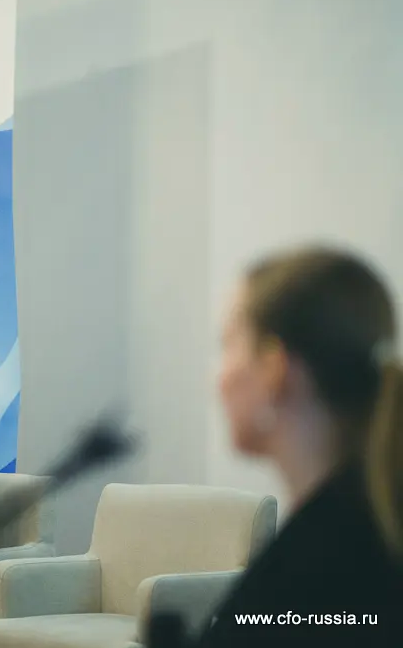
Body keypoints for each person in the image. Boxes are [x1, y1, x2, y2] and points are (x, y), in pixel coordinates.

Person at [186, 245, 403, 647]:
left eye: (228, 345)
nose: (218, 378)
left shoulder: (319, 570)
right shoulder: (369, 525)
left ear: (273, 368)